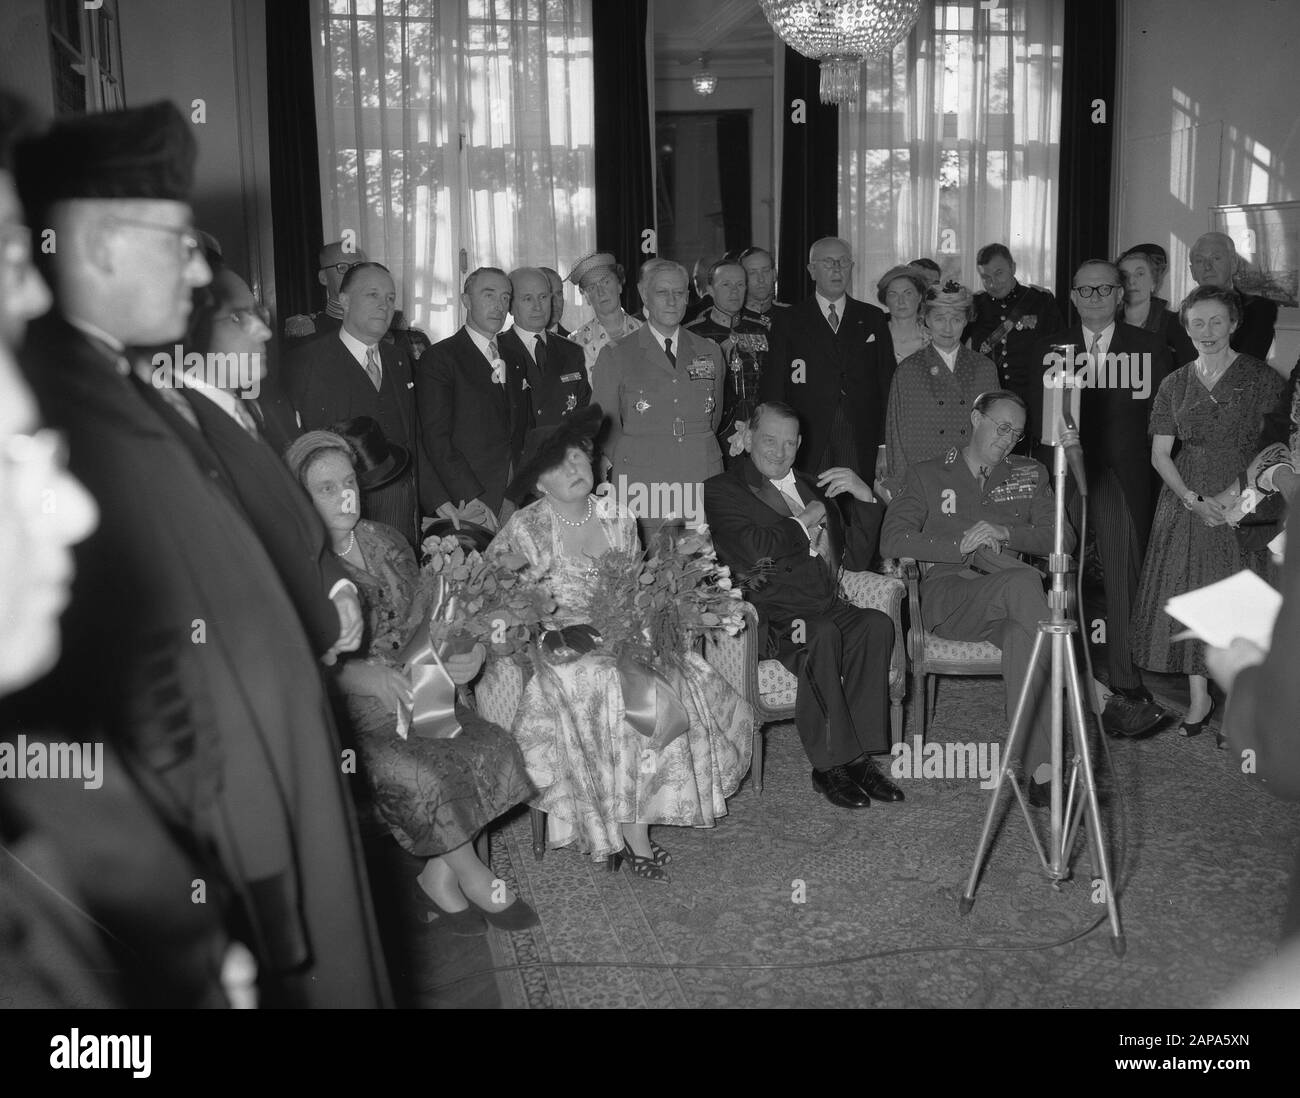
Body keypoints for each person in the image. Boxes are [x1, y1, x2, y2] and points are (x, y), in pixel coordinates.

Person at [9, 100, 392, 1007]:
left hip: (269, 783)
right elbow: (122, 699)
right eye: (178, 243)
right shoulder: (65, 408)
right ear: (101, 247)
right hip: (224, 822)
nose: (196, 271)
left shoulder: (128, 389)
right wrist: (205, 886)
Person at [286, 428, 538, 933]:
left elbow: (432, 620)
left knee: (493, 746)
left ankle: (438, 878)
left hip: (422, 691)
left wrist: (469, 653)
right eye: (326, 488)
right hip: (350, 720)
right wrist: (358, 676)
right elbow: (287, 666)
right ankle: (473, 875)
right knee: (426, 771)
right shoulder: (291, 565)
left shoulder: (386, 540)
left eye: (350, 481)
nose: (345, 495)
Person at [492, 406, 753, 879]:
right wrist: (533, 625)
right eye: (558, 464)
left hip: (624, 628)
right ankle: (621, 829)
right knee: (609, 683)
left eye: (578, 458)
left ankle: (638, 816)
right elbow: (504, 602)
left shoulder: (617, 514)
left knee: (675, 669)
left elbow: (635, 588)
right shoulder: (526, 529)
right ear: (539, 483)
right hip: (562, 644)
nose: (573, 469)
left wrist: (654, 618)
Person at [147, 266, 364, 663]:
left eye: (258, 315)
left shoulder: (262, 410)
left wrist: (337, 588)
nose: (264, 332)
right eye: (237, 318)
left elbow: (291, 528)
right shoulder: (172, 433)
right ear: (184, 328)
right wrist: (318, 620)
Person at [704, 402, 900, 809]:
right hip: (775, 618)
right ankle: (830, 766)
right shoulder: (724, 489)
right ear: (748, 437)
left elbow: (858, 558)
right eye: (769, 440)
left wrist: (865, 497)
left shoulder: (815, 486)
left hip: (827, 602)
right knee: (822, 635)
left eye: (789, 443)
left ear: (800, 445)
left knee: (875, 626)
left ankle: (858, 758)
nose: (778, 451)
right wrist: (803, 521)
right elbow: (752, 549)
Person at [881, 391, 1070, 805]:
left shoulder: (1029, 473)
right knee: (1026, 584)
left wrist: (1007, 534)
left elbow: (1064, 538)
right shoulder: (928, 473)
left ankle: (1044, 772)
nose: (1008, 440)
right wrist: (961, 545)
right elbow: (892, 538)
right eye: (1002, 427)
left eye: (1016, 434)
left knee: (1026, 637)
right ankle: (1089, 692)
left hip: (1011, 600)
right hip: (951, 596)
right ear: (975, 418)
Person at [1131, 285, 1286, 737]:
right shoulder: (1174, 382)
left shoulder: (1263, 378)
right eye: (1197, 322)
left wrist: (1229, 496)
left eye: (1216, 321)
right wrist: (1192, 499)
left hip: (1248, 495)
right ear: (1186, 327)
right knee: (1194, 594)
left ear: (1234, 323)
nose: (1207, 331)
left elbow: (1273, 446)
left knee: (1239, 597)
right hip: (1185, 501)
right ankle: (1198, 698)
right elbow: (1161, 453)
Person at [1037, 259, 1172, 737]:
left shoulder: (1151, 348)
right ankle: (1068, 677)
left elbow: (1164, 423)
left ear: (1121, 295)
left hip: (1120, 477)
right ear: (1072, 296)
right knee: (1060, 575)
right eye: (1085, 290)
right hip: (1064, 476)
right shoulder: (1049, 349)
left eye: (1104, 289)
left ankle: (1126, 681)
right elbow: (1038, 418)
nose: (1094, 298)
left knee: (1122, 579)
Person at [760, 235, 893, 565]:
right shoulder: (789, 320)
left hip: (857, 434)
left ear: (852, 268)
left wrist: (884, 445)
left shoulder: (872, 317)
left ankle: (858, 574)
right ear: (811, 269)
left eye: (843, 262)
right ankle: (814, 575)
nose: (837, 269)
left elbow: (887, 385)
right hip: (808, 435)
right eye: (828, 262)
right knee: (811, 507)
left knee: (853, 507)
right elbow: (775, 383)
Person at [286, 260, 428, 546]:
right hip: (342, 513)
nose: (384, 305)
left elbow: (413, 435)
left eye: (390, 298)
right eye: (372, 295)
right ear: (345, 301)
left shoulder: (398, 359)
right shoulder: (309, 362)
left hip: (400, 509)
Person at [590, 258, 725, 545]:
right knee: (647, 569)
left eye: (679, 293)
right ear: (643, 294)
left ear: (689, 297)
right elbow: (605, 429)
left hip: (700, 475)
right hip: (644, 482)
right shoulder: (616, 355)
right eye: (663, 292)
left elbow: (713, 417)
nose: (672, 300)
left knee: (701, 571)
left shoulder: (709, 352)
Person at [417, 266, 528, 531]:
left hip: (517, 495)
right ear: (466, 300)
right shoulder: (441, 358)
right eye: (489, 295)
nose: (499, 305)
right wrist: (470, 496)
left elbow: (522, 427)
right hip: (470, 499)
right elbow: (435, 437)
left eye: (505, 297)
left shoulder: (514, 356)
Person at [879, 280, 997, 502]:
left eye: (956, 319)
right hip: (925, 478)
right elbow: (896, 435)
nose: (948, 328)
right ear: (926, 320)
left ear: (966, 322)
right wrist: (903, 489)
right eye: (939, 319)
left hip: (972, 478)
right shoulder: (909, 370)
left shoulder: (984, 368)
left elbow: (994, 432)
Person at [964, 243, 1063, 422]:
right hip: (988, 405)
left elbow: (1059, 352)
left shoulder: (1040, 301)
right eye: (985, 277)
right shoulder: (975, 305)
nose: (992, 283)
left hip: (1032, 403)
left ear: (1013, 268)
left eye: (999, 273)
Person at [687, 258, 769, 459]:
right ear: (711, 290)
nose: (734, 291)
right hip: (716, 428)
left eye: (740, 284)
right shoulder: (693, 333)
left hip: (760, 424)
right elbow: (695, 390)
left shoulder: (763, 329)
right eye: (726, 284)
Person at [499, 266, 590, 428]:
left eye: (543, 297)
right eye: (527, 298)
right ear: (510, 306)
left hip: (564, 450)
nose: (537, 307)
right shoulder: (497, 352)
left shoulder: (572, 351)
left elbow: (584, 415)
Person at [1189, 232, 1278, 361]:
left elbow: (1247, 361)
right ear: (1193, 272)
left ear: (1234, 264)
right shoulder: (1179, 319)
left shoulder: (1259, 310)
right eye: (1200, 260)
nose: (1207, 267)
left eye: (1216, 258)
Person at [1116, 244, 1195, 367]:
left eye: (1140, 274)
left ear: (1154, 282)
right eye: (1125, 276)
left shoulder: (1176, 325)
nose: (1132, 281)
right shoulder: (1108, 324)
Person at [566, 251, 643, 377]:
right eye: (592, 287)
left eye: (606, 282)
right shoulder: (575, 344)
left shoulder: (647, 334)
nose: (600, 292)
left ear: (619, 285)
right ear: (586, 297)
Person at [282, 238, 369, 348]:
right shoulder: (309, 331)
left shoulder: (385, 324)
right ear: (323, 278)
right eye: (342, 267)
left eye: (358, 267)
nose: (352, 274)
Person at [877, 263, 932, 364]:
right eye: (893, 295)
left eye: (908, 293)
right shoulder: (874, 339)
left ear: (919, 297)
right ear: (885, 299)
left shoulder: (934, 340)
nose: (901, 301)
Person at [738, 245, 789, 327]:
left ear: (774, 274)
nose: (761, 279)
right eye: (752, 273)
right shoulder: (732, 318)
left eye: (765, 271)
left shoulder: (791, 315)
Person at [540, 265, 570, 337]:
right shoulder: (510, 344)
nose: (554, 302)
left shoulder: (575, 343)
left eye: (559, 294)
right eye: (545, 296)